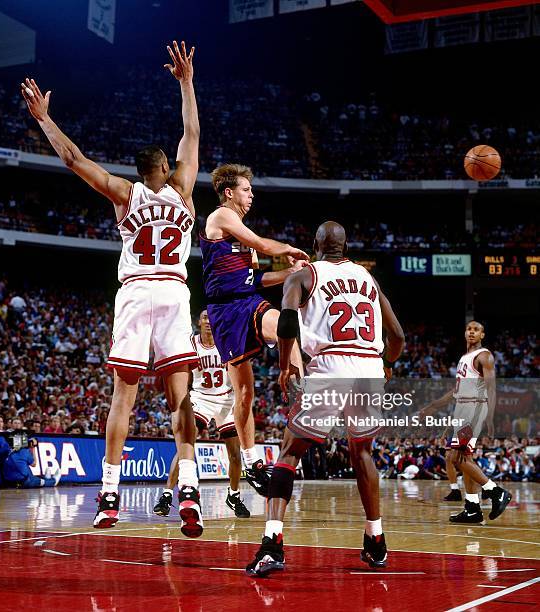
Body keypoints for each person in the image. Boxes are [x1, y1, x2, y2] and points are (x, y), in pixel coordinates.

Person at [21, 40, 204, 537]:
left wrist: (43, 117)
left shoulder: (124, 194)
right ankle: (188, 489)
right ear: (165, 168)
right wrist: (185, 81)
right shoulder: (184, 189)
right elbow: (192, 130)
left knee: (123, 397)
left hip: (135, 292)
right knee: (179, 399)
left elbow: (73, 158)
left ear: (138, 172)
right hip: (173, 292)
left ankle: (108, 495)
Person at [245, 221, 405, 577]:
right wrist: (387, 365)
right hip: (368, 370)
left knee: (289, 451)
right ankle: (375, 539)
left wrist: (287, 364)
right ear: (345, 245)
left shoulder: (304, 275)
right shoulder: (368, 280)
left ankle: (272, 544)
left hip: (331, 365)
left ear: (315, 244)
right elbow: (397, 336)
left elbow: (286, 320)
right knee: (362, 451)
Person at [200, 164, 309, 496]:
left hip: (247, 300)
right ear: (230, 193)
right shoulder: (220, 217)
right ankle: (251, 461)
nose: (252, 194)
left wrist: (290, 273)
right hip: (225, 311)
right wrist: (287, 249)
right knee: (244, 394)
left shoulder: (240, 233)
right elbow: (262, 243)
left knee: (284, 324)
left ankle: (306, 397)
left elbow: (258, 279)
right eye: (247, 189)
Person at [153, 311, 251, 519]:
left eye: (211, 318)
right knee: (185, 446)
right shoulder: (191, 344)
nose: (208, 321)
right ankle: (167, 494)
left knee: (235, 454)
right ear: (198, 321)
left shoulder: (227, 341)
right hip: (200, 399)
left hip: (226, 400)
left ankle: (233, 496)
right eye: (204, 317)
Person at [421, 321, 512, 524]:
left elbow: (492, 387)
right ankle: (472, 508)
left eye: (476, 329)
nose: (472, 332)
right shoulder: (464, 358)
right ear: (465, 333)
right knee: (465, 458)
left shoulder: (484, 356)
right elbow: (457, 392)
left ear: (482, 335)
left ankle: (496, 492)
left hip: (475, 407)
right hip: (462, 409)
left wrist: (490, 415)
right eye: (469, 329)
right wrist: (435, 408)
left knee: (456, 456)